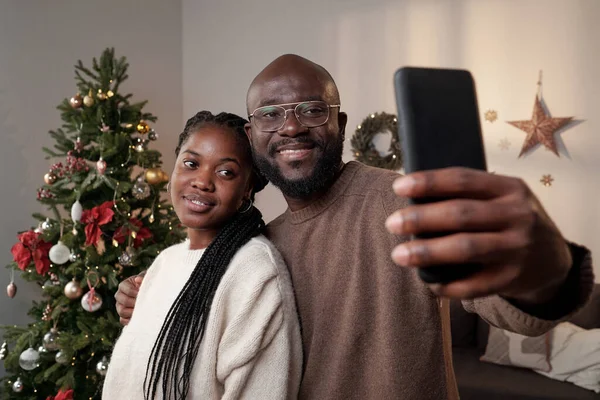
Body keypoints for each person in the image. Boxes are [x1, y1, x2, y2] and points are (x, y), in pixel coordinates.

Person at [115, 56, 594, 400]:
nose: (292, 126)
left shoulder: (402, 200)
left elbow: (514, 313)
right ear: (252, 135)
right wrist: (148, 296)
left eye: (311, 109)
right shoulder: (254, 247)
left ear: (339, 124)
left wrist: (546, 269)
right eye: (271, 114)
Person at [103, 111, 302, 400]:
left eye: (225, 172)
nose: (202, 181)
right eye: (191, 164)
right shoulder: (166, 262)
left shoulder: (255, 272)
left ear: (247, 189)